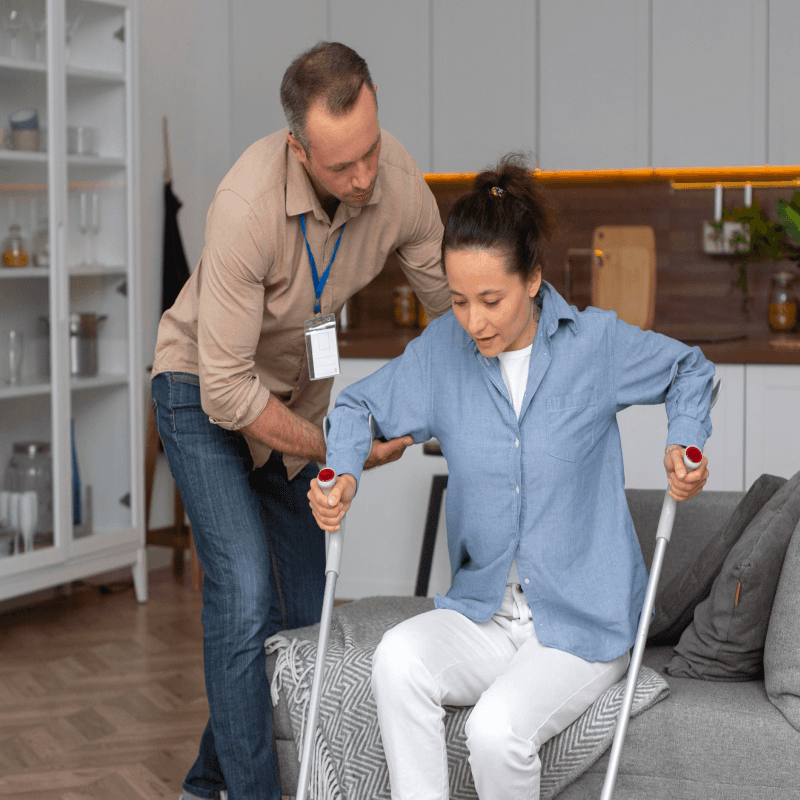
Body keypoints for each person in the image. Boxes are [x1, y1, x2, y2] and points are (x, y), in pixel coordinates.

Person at [308, 154, 714, 800]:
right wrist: (344, 473)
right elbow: (358, 406)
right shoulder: (444, 351)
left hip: (584, 623)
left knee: (496, 731)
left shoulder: (594, 346)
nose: (474, 321)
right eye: (460, 300)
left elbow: (689, 369)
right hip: (485, 614)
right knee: (397, 660)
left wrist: (685, 441)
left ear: (534, 279)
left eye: (491, 299)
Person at [150, 42, 451, 800]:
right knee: (245, 593)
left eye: (370, 152)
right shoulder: (245, 207)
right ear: (297, 147)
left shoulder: (398, 184)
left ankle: (206, 782)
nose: (362, 179)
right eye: (341, 166)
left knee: (293, 614)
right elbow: (225, 390)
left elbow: (458, 306)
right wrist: (339, 444)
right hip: (201, 389)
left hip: (290, 398)